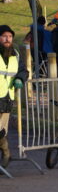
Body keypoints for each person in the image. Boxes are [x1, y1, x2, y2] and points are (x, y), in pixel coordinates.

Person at [0, 25, 28, 168]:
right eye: (4, 36)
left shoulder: (15, 54)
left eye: (10, 36)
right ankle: (6, 153)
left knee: (1, 132)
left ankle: (5, 154)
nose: (7, 39)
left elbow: (23, 70)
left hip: (7, 99)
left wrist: (20, 78)